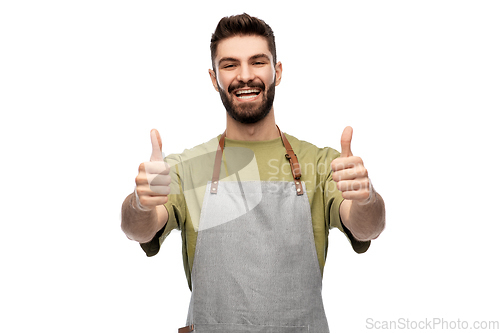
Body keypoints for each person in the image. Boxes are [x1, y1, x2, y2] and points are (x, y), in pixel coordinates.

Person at [121, 13, 385, 333]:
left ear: (278, 71)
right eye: (230, 65)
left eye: (258, 62)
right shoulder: (185, 168)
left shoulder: (320, 163)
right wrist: (141, 203)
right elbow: (140, 230)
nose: (245, 76)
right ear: (213, 77)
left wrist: (365, 197)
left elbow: (367, 228)